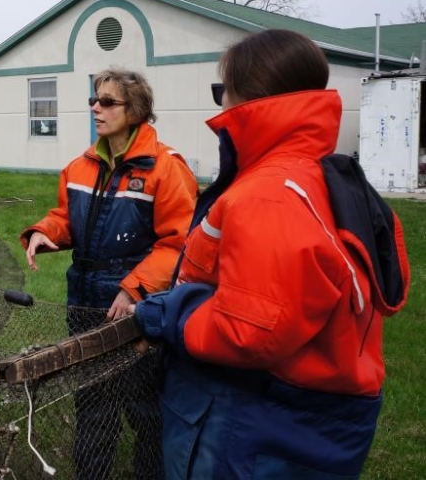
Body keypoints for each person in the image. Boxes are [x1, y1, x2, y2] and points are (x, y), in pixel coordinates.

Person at [131, 29, 410, 478]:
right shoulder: (323, 177)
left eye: (223, 92)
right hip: (310, 416)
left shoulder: (268, 196)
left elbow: (249, 331)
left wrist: (170, 314)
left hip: (251, 417)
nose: (220, 104)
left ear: (243, 99)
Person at [21, 68, 198, 480]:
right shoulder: (81, 165)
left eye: (107, 101)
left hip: (139, 306)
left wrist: (135, 290)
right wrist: (44, 234)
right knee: (92, 398)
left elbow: (181, 243)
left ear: (135, 110)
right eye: (94, 100)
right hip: (83, 295)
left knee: (144, 403)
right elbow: (66, 217)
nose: (95, 108)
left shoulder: (166, 169)